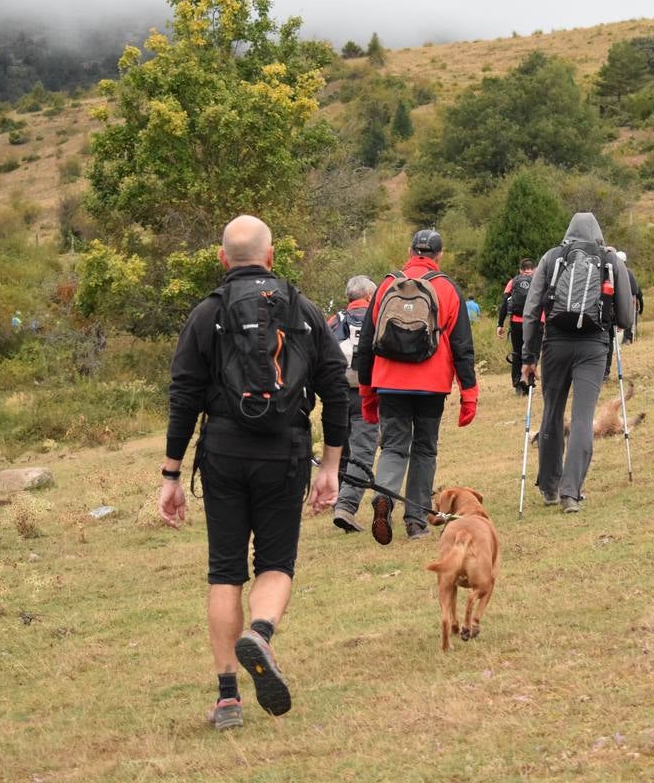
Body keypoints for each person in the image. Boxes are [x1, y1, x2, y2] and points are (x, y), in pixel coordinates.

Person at [158, 214, 347, 731]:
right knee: (276, 563)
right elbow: (336, 389)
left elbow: (183, 399)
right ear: (270, 257)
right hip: (284, 455)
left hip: (221, 453)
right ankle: (260, 633)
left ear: (224, 260)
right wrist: (330, 466)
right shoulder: (303, 311)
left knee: (225, 571)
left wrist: (171, 474)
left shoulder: (206, 315)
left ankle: (226, 699)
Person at [356, 229, 478, 543]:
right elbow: (462, 345)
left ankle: (384, 498)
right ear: (439, 254)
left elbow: (366, 343)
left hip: (389, 382)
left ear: (410, 251)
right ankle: (415, 521)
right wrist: (469, 393)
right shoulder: (447, 288)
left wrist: (367, 393)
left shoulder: (386, 284)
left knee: (394, 447)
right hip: (431, 384)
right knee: (424, 449)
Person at [520, 212, 635, 512]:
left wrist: (528, 357)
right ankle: (571, 493)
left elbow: (532, 310)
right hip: (594, 346)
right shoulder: (611, 261)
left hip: (555, 343)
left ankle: (549, 488)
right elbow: (625, 317)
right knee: (583, 419)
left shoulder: (552, 257)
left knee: (552, 413)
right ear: (598, 232)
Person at [328, 275, 380, 533]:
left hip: (335, 396)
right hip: (366, 394)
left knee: (339, 448)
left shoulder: (333, 321)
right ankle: (346, 507)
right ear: (370, 297)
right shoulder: (376, 318)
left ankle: (336, 498)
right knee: (362, 453)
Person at [496, 258, 536, 395]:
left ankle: (518, 384)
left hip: (516, 323)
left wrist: (500, 324)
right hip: (533, 323)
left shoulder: (513, 281)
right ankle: (530, 382)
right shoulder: (537, 281)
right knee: (531, 353)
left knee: (517, 353)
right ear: (533, 269)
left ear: (520, 270)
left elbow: (504, 303)